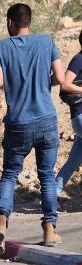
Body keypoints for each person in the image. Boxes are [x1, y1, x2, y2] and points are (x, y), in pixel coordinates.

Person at [0, 3, 64, 253]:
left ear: (10, 23)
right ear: (29, 21)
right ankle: (49, 228)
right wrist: (41, 83)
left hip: (17, 124)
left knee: (10, 174)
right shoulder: (47, 41)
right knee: (46, 175)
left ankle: (1, 221)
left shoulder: (2, 47)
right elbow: (60, 79)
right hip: (46, 120)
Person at [56, 30, 82, 196]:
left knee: (73, 163)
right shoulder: (79, 59)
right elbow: (65, 85)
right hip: (81, 116)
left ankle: (50, 196)